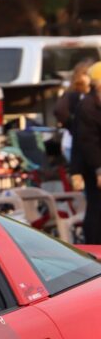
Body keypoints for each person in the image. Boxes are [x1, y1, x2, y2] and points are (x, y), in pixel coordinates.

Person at [73, 62, 101, 244]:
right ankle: (95, 248)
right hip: (94, 166)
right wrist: (99, 169)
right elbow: (88, 141)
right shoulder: (88, 106)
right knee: (97, 209)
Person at [55, 59, 93, 170]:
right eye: (86, 74)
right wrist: (74, 127)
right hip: (74, 146)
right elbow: (59, 111)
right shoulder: (73, 94)